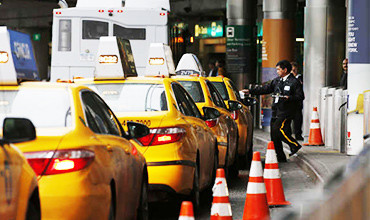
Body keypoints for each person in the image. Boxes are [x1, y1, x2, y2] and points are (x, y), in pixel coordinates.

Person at [242, 60, 304, 162]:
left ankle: (294, 145)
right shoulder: (277, 81)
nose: (277, 71)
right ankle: (280, 156)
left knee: (279, 130)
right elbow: (265, 89)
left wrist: (289, 98)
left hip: (286, 111)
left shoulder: (294, 82)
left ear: (285, 70)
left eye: (279, 69)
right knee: (274, 135)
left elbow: (300, 96)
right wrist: (250, 91)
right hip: (276, 110)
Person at [290, 62, 303, 140]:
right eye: (292, 70)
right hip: (289, 104)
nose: (293, 72)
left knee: (298, 120)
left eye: (295, 70)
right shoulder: (288, 79)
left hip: (297, 103)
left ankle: (298, 134)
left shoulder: (300, 78)